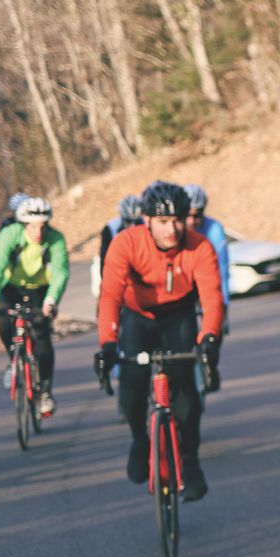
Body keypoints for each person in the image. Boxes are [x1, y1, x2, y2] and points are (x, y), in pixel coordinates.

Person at [94, 181, 223, 501]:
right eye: (163, 222)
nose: (173, 229)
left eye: (178, 220)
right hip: (138, 317)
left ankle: (190, 461)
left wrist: (208, 338)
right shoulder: (126, 243)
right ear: (147, 220)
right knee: (133, 387)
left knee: (185, 393)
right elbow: (110, 294)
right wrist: (108, 343)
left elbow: (212, 299)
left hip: (178, 317)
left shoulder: (199, 247)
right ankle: (140, 440)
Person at [0, 196, 70, 417]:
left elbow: (61, 272)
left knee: (42, 335)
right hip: (11, 287)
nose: (38, 232)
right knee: (5, 325)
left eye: (43, 226)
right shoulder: (9, 235)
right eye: (33, 227)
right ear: (23, 225)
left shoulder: (55, 239)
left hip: (40, 290)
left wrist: (51, 301)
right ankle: (13, 360)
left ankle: (45, 391)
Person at [182, 183, 231, 310]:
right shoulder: (173, 226)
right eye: (187, 215)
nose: (191, 222)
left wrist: (223, 303)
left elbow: (222, 268)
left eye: (197, 216)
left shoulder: (214, 229)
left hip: (205, 276)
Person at [98, 194, 143, 276]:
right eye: (128, 221)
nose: (133, 226)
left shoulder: (147, 225)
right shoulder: (110, 229)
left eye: (137, 222)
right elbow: (104, 261)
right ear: (122, 218)